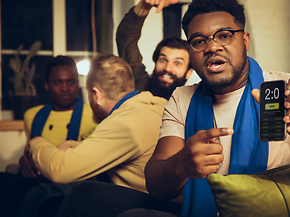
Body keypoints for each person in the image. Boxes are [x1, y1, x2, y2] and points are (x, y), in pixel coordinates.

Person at [54, 0, 290, 217]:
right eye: (199, 40)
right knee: (89, 198)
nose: (212, 45)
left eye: (224, 35)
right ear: (193, 51)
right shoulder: (182, 98)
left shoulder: (289, 87)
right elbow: (157, 183)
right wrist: (182, 163)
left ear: (246, 41)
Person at [28, 54, 180, 217]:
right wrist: (73, 144)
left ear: (96, 94)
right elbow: (123, 147)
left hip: (160, 207)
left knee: (81, 194)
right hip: (173, 202)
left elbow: (60, 170)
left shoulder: (124, 122)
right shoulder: (153, 105)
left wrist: (36, 142)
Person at [0, 55, 97, 217]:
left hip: (74, 178)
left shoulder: (94, 113)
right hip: (40, 174)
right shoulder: (32, 115)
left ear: (77, 83)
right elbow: (31, 150)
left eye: (70, 81)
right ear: (47, 85)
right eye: (58, 82)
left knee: (24, 190)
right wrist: (24, 161)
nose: (65, 88)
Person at [116, 0, 193, 100]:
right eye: (163, 60)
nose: (167, 68)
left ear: (188, 73)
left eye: (177, 63)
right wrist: (144, 6)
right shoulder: (141, 86)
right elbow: (126, 41)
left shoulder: (192, 106)